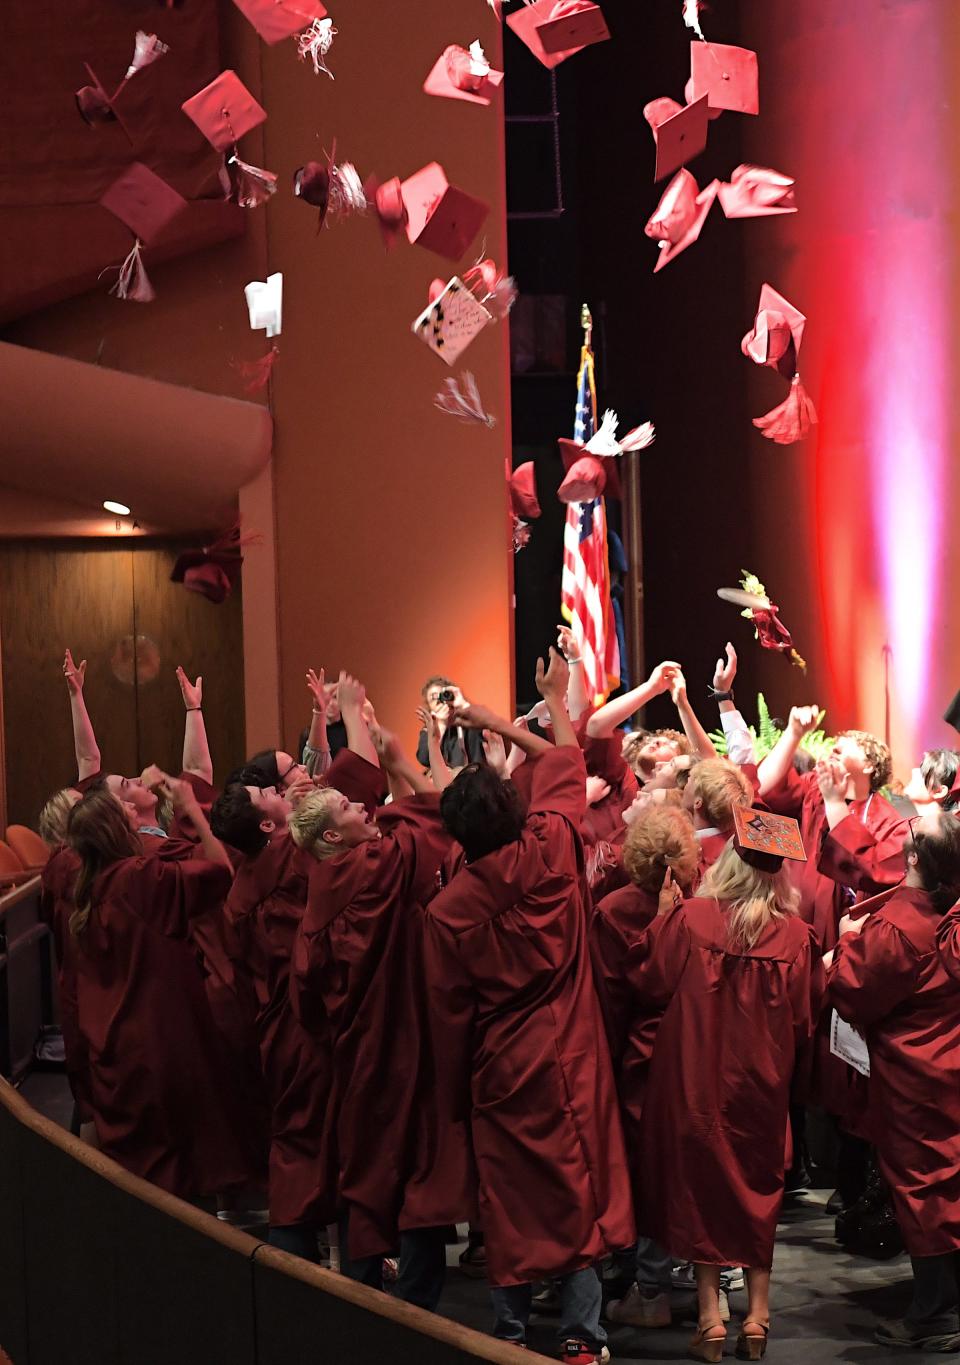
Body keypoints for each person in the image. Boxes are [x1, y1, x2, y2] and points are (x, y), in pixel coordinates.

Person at [424, 650, 634, 1364]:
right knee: (576, 1186)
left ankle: (509, 1337)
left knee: (508, 1196)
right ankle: (582, 1336)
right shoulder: (550, 846)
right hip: (571, 1046)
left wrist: (456, 1092)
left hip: (500, 1061)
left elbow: (448, 1010)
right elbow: (568, 762)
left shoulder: (449, 908)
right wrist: (542, 702)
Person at [628, 813, 822, 1362]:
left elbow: (649, 983)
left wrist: (662, 918)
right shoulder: (796, 937)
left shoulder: (690, 919)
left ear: (730, 862)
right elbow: (806, 1021)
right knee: (757, 1192)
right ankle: (758, 1316)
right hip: (760, 1085)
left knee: (701, 1191)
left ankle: (711, 1318)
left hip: (695, 1080)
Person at [289, 713, 461, 1311]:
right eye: (349, 808)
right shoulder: (370, 869)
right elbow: (432, 817)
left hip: (360, 1052)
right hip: (407, 1039)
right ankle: (416, 1311)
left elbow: (305, 993)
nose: (365, 808)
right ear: (331, 839)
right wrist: (397, 762)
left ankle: (361, 1309)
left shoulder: (322, 889)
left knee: (368, 1174)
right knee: (418, 1171)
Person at [211, 674, 384, 1260]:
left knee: (305, 1144)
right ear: (269, 825)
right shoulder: (290, 852)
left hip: (278, 1025)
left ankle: (313, 1268)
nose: (291, 797)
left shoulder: (241, 886)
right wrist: (353, 714)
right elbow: (345, 786)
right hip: (306, 1024)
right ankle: (309, 1276)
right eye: (277, 798)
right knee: (314, 1149)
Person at [63, 779, 255, 1199]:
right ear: (115, 828)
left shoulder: (88, 892)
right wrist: (191, 810)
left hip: (116, 1044)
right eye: (123, 810)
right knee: (179, 1173)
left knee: (144, 1180)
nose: (132, 812)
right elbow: (221, 872)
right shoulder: (137, 876)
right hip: (158, 1039)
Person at [826, 809, 960, 1352]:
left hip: (916, 1076)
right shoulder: (944, 912)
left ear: (911, 859)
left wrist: (842, 945)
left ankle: (937, 1314)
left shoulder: (900, 927)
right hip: (946, 1063)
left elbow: (853, 990)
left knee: (925, 1189)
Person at [591, 806, 700, 1332]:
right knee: (691, 1166)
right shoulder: (703, 909)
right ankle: (702, 1287)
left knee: (642, 1169)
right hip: (696, 1050)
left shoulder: (611, 910)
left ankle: (647, 1280)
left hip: (638, 1056)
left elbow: (609, 997)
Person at [681, 758, 753, 881]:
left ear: (698, 802)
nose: (683, 787)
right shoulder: (741, 850)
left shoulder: (692, 860)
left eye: (689, 781)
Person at [415, 675, 485, 769]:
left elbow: (486, 727)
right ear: (429, 707)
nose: (439, 701)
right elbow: (424, 759)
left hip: (475, 779)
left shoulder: (468, 722)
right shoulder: (428, 730)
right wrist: (441, 725)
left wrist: (464, 705)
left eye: (442, 695)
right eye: (433, 699)